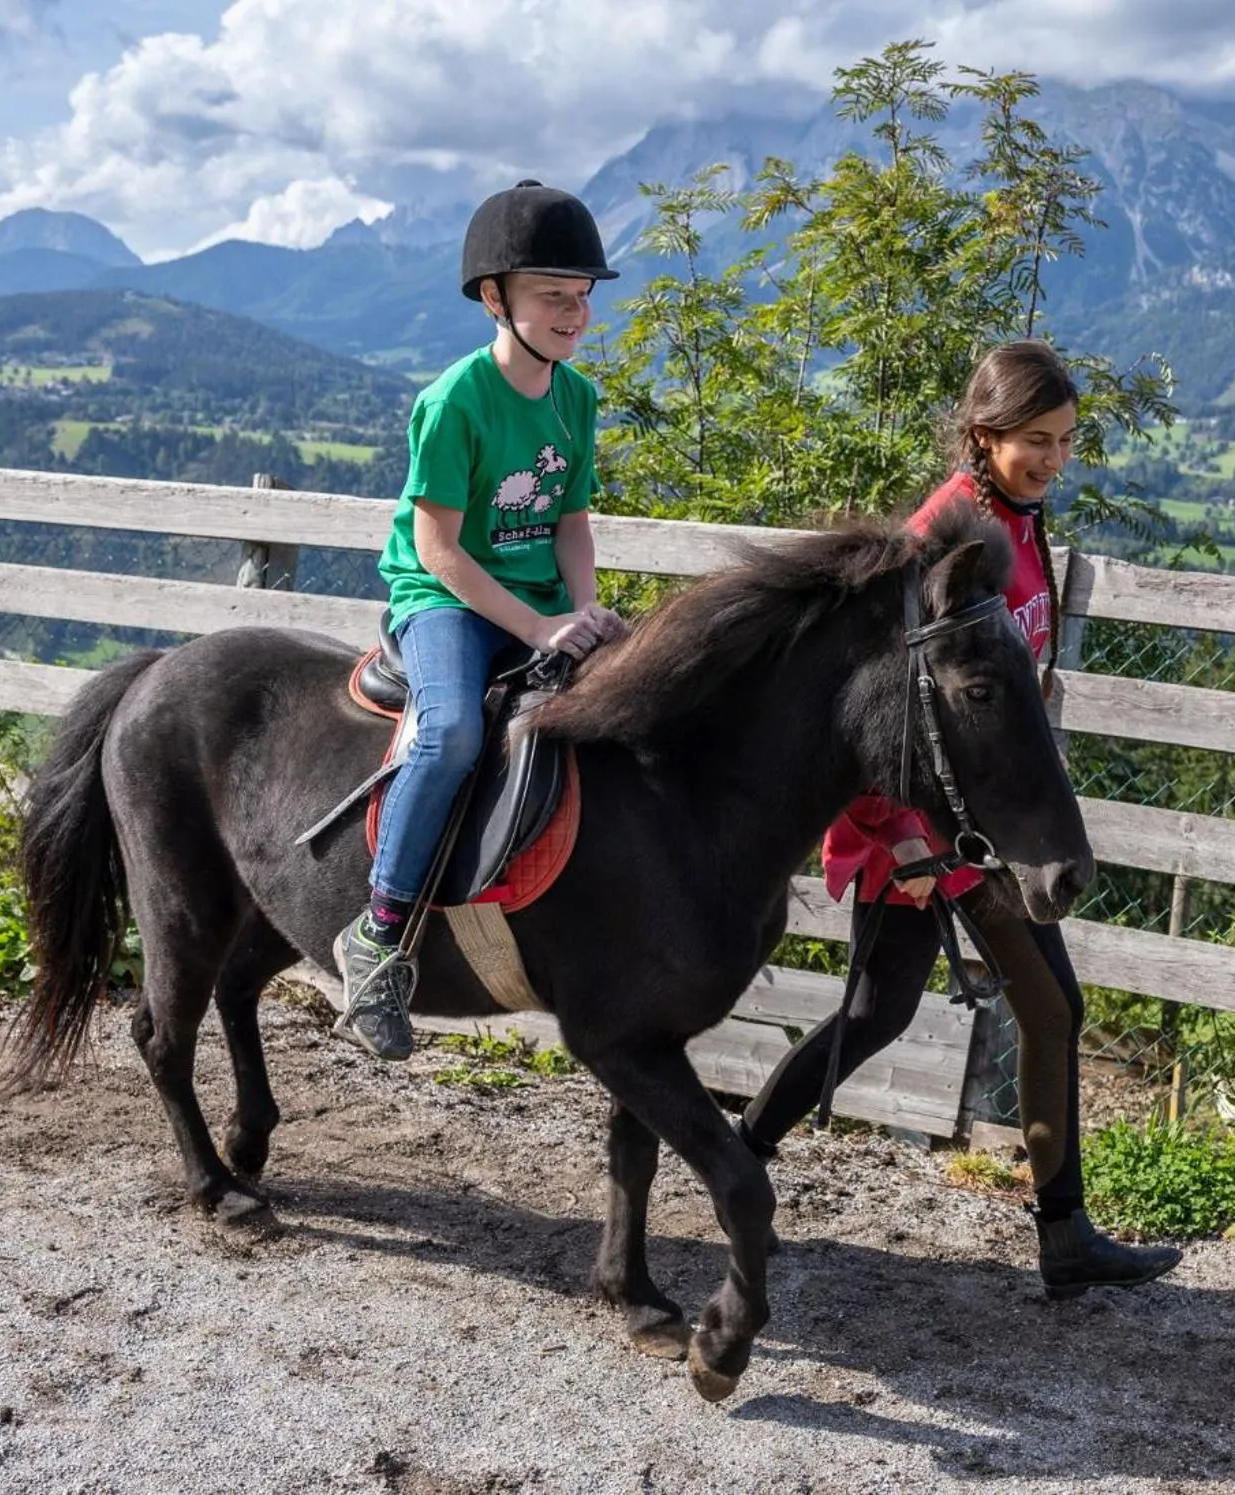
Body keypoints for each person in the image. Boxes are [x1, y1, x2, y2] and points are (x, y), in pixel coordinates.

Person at [736, 340, 1183, 1297]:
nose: (1054, 458)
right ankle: (1063, 1234)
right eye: (1035, 440)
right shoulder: (938, 542)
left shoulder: (1017, 525)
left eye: (1066, 440)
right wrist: (900, 836)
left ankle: (743, 1153)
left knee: (878, 1013)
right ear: (983, 435)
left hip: (976, 820)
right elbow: (867, 705)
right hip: (923, 827)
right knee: (1039, 1006)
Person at [334, 180, 628, 1060]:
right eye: (553, 296)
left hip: (539, 599)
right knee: (452, 733)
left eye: (582, 296)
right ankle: (379, 932)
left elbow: (570, 523)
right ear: (496, 299)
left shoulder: (576, 398)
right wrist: (536, 630)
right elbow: (437, 549)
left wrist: (582, 609)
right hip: (447, 598)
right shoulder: (455, 400)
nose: (575, 313)